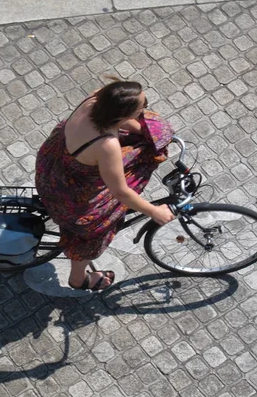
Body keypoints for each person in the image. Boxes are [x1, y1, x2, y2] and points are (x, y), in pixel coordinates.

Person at [35, 78, 175, 291]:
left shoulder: (97, 98)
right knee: (94, 229)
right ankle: (79, 278)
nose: (144, 111)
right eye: (141, 108)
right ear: (122, 115)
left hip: (53, 164)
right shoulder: (106, 145)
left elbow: (116, 119)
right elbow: (120, 192)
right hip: (73, 191)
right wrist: (154, 211)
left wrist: (140, 130)